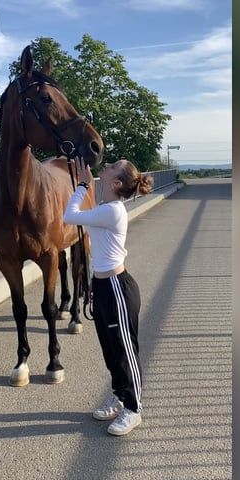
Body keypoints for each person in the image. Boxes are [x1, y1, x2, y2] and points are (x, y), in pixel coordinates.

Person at [63, 156, 153, 436]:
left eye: (113, 165)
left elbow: (69, 216)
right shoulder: (104, 207)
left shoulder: (113, 210)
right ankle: (119, 395)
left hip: (117, 287)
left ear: (116, 182)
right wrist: (93, 283)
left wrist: (81, 185)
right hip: (103, 286)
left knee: (124, 350)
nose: (107, 164)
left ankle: (134, 408)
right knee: (110, 349)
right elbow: (99, 249)